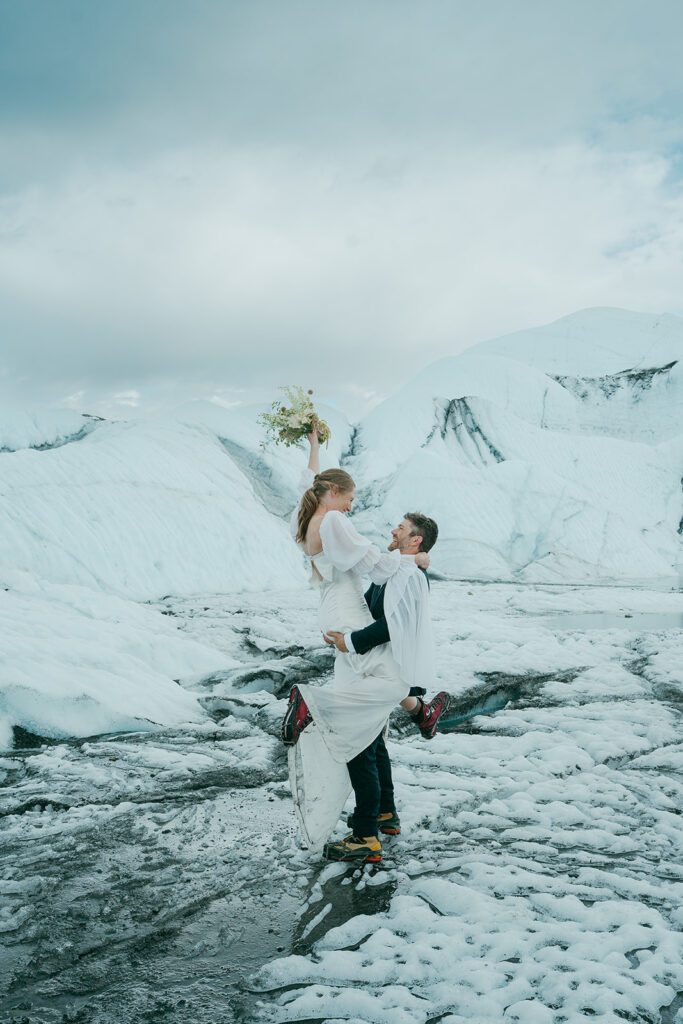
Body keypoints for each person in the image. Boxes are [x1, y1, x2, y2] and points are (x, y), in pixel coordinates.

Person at [281, 426, 448, 863]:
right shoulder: (335, 520)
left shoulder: (310, 515)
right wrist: (415, 559)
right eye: (351, 498)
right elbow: (373, 563)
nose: (354, 507)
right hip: (345, 613)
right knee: (367, 720)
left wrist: (314, 444)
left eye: (402, 530)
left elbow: (307, 483)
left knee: (369, 728)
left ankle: (378, 817)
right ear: (334, 494)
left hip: (337, 610)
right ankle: (320, 708)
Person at [322, 511, 447, 862]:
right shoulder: (396, 568)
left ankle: (364, 837)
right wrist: (340, 630)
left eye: (402, 528)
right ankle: (385, 813)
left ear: (415, 540)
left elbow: (395, 625)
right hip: (379, 667)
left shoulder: (409, 576)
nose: (394, 530)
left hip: (386, 670)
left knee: (359, 742)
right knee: (372, 739)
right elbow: (367, 609)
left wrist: (351, 641)